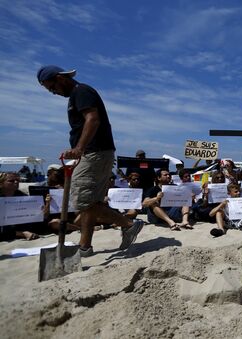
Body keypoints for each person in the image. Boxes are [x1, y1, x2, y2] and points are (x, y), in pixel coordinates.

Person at [37, 65, 143, 256]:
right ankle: (85, 246)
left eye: (51, 87)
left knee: (83, 200)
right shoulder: (77, 95)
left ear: (60, 79)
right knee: (91, 202)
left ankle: (128, 224)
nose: (52, 92)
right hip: (95, 152)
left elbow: (93, 119)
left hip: (94, 152)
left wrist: (79, 148)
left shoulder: (81, 92)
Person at [0, 172, 40, 241]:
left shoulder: (22, 196)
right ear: (1, 184)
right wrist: (21, 233)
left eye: (18, 180)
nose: (16, 182)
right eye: (11, 181)